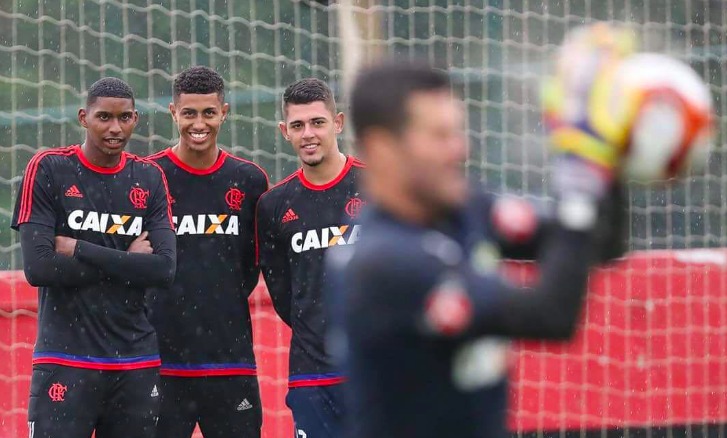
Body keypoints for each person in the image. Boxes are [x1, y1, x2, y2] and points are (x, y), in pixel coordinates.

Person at [327, 55, 629, 437]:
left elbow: (598, 242)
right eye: (440, 136)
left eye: (458, 132)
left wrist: (605, 155)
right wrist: (580, 172)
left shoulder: (464, 208)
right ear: (382, 148)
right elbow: (550, 315)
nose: (460, 149)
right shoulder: (382, 264)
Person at [13, 77, 176, 437]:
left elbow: (163, 268)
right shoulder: (48, 168)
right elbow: (39, 268)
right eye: (104, 117)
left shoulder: (148, 177)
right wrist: (127, 261)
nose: (114, 128)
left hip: (135, 360)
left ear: (136, 119)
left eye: (124, 118)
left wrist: (80, 249)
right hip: (65, 359)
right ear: (84, 117)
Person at [146, 66, 269, 438]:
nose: (199, 123)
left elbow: (251, 268)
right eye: (189, 113)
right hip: (159, 363)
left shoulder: (250, 180)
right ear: (172, 112)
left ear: (225, 112)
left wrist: (218, 300)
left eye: (209, 113)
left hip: (230, 362)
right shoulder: (148, 175)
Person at [256, 78, 365, 438]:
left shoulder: (378, 186)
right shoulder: (274, 206)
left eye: (317, 122)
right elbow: (285, 295)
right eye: (298, 125)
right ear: (284, 131)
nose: (308, 134)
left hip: (378, 367)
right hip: (311, 373)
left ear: (338, 123)